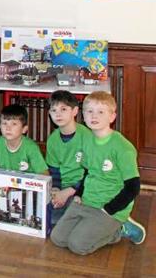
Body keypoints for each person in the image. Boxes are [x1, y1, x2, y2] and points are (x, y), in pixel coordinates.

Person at [51, 91, 146, 255]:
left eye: (101, 112)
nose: (94, 116)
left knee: (78, 246)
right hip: (87, 200)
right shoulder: (87, 140)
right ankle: (94, 226)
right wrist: (79, 194)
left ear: (112, 116)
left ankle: (120, 229)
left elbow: (133, 187)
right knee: (58, 238)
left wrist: (110, 209)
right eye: (89, 111)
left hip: (109, 207)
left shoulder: (122, 147)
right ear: (83, 115)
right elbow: (88, 171)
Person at [46, 90, 93, 226]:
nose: (58, 114)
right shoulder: (52, 140)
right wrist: (55, 189)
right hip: (62, 187)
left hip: (82, 187)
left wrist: (70, 191)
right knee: (50, 219)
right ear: (49, 114)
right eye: (54, 110)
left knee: (72, 216)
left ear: (75, 111)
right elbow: (54, 170)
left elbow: (91, 172)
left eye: (63, 109)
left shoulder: (87, 136)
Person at [0, 104, 47, 174]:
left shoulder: (31, 147)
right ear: (0, 126)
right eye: (4, 123)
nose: (8, 128)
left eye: (14, 124)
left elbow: (44, 174)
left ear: (24, 129)